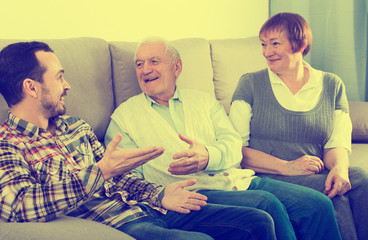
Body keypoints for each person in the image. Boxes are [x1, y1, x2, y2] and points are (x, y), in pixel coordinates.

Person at [0, 41, 284, 240]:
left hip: (148, 206)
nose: (68, 85)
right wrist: (99, 172)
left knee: (257, 221)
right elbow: (18, 206)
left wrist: (158, 194)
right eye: (59, 77)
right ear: (31, 87)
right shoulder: (9, 144)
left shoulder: (76, 127)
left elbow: (118, 178)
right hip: (115, 222)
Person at [105, 36, 342, 240]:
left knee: (317, 205)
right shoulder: (124, 118)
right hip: (191, 192)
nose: (145, 69)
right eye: (139, 63)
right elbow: (124, 177)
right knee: (266, 204)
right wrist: (159, 195)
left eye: (154, 61)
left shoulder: (205, 101)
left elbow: (233, 147)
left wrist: (208, 156)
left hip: (240, 180)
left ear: (177, 67)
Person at [229, 12, 368, 240]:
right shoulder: (250, 83)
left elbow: (337, 143)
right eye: (263, 44)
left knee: (359, 177)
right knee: (333, 193)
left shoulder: (332, 84)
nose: (266, 52)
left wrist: (339, 169)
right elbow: (235, 149)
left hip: (313, 171)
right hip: (270, 173)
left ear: (301, 44)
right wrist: (287, 166)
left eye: (275, 44)